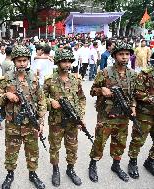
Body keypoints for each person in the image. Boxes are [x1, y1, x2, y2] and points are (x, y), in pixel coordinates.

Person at [0, 45, 47, 189]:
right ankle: (10, 174)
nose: (22, 63)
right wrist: (7, 95)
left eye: (25, 60)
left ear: (28, 61)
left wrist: (41, 122)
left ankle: (33, 174)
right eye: (19, 61)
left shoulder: (34, 78)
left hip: (31, 124)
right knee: (11, 151)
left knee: (32, 151)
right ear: (14, 61)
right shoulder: (6, 78)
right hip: (13, 124)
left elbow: (42, 101)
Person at [88, 41, 136, 183]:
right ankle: (93, 165)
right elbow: (92, 91)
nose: (124, 57)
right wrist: (101, 90)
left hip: (123, 116)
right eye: (121, 54)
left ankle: (116, 165)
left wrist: (133, 108)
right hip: (106, 116)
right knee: (99, 142)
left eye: (127, 54)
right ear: (114, 56)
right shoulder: (105, 73)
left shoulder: (133, 75)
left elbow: (134, 95)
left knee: (119, 142)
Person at [43, 49, 86, 186]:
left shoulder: (75, 79)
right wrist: (51, 102)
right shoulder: (49, 80)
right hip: (56, 121)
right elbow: (41, 98)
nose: (67, 64)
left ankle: (70, 169)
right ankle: (55, 170)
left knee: (72, 147)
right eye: (64, 61)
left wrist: (81, 116)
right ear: (58, 62)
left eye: (69, 61)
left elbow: (81, 98)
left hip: (72, 121)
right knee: (54, 147)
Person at [127, 53, 154, 178]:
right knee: (138, 139)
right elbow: (137, 93)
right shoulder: (145, 74)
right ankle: (132, 161)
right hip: (145, 114)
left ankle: (150, 161)